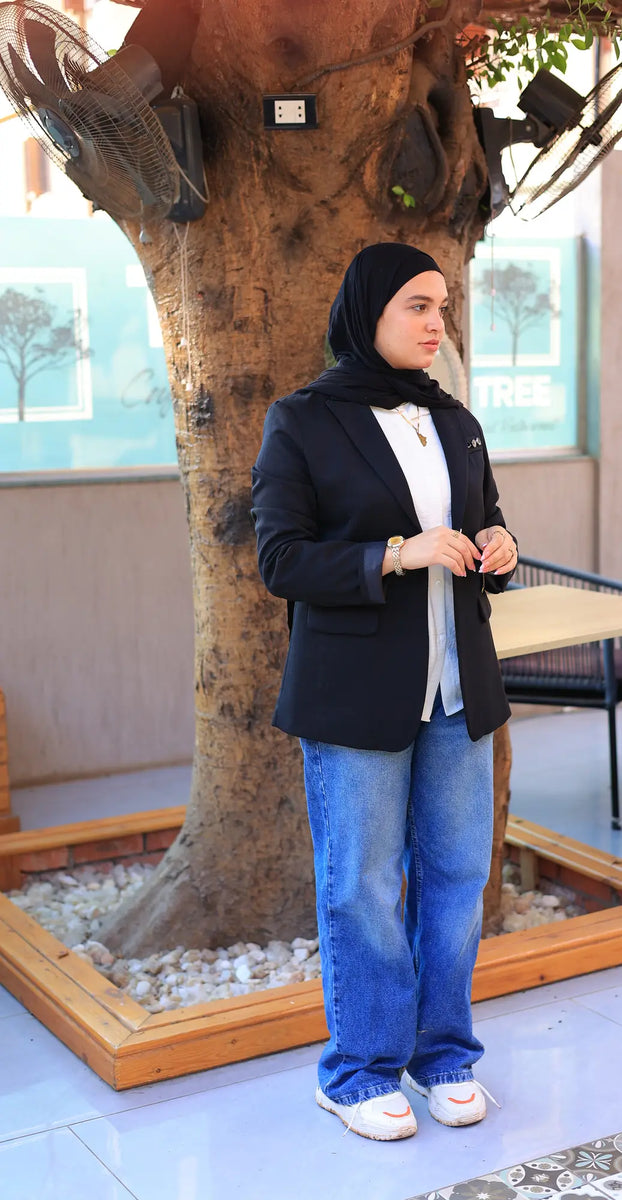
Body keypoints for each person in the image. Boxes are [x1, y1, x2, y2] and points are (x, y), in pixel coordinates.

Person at [251, 242, 517, 1142]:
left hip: (457, 692)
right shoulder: (302, 421)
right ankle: (357, 1070)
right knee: (363, 886)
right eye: (417, 305)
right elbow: (280, 559)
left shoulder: (458, 423)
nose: (438, 322)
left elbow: (486, 517)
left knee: (455, 878)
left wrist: (498, 546)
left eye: (442, 305)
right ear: (368, 310)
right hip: (356, 694)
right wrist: (396, 555)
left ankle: (443, 1056)